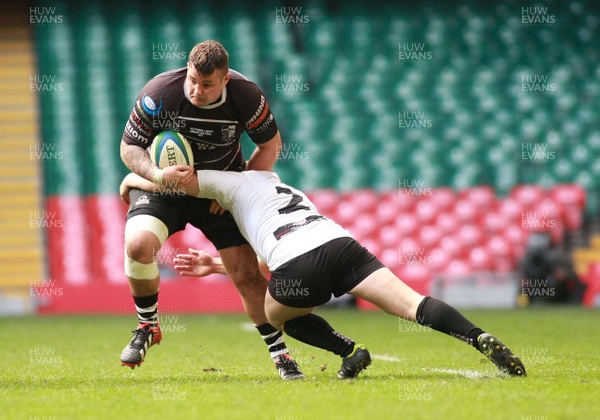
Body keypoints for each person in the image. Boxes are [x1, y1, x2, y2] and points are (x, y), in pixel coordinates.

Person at [120, 168, 527, 378]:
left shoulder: (231, 184)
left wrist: (130, 180)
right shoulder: (284, 187)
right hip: (340, 245)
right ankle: (479, 337)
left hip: (298, 263)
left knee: (276, 315)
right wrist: (214, 264)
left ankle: (349, 352)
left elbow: (179, 181)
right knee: (412, 304)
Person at [119, 40, 304, 379]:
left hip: (218, 193)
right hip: (166, 186)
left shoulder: (246, 96)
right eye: (192, 79)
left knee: (247, 274)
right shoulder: (160, 92)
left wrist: (236, 188)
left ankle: (281, 356)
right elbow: (129, 147)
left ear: (225, 81)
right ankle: (147, 326)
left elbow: (270, 146)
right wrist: (157, 174)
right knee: (137, 245)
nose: (196, 90)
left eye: (206, 84)